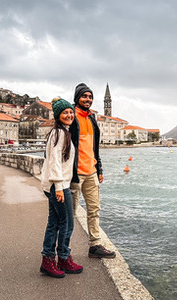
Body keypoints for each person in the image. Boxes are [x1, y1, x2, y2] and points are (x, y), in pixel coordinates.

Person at [70, 83, 116, 259]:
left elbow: (94, 148)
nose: (87, 99)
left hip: (91, 172)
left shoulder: (92, 118)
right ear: (77, 98)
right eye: (84, 96)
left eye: (90, 97)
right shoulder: (71, 116)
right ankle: (65, 250)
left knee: (94, 209)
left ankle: (95, 245)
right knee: (70, 213)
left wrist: (99, 168)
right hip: (75, 173)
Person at [40, 97, 83, 278]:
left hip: (53, 184)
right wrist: (58, 187)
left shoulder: (62, 132)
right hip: (58, 185)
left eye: (70, 112)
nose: (69, 115)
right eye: (65, 112)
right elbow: (55, 162)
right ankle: (63, 258)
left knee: (54, 223)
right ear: (58, 115)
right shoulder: (59, 134)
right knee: (67, 223)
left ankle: (48, 260)